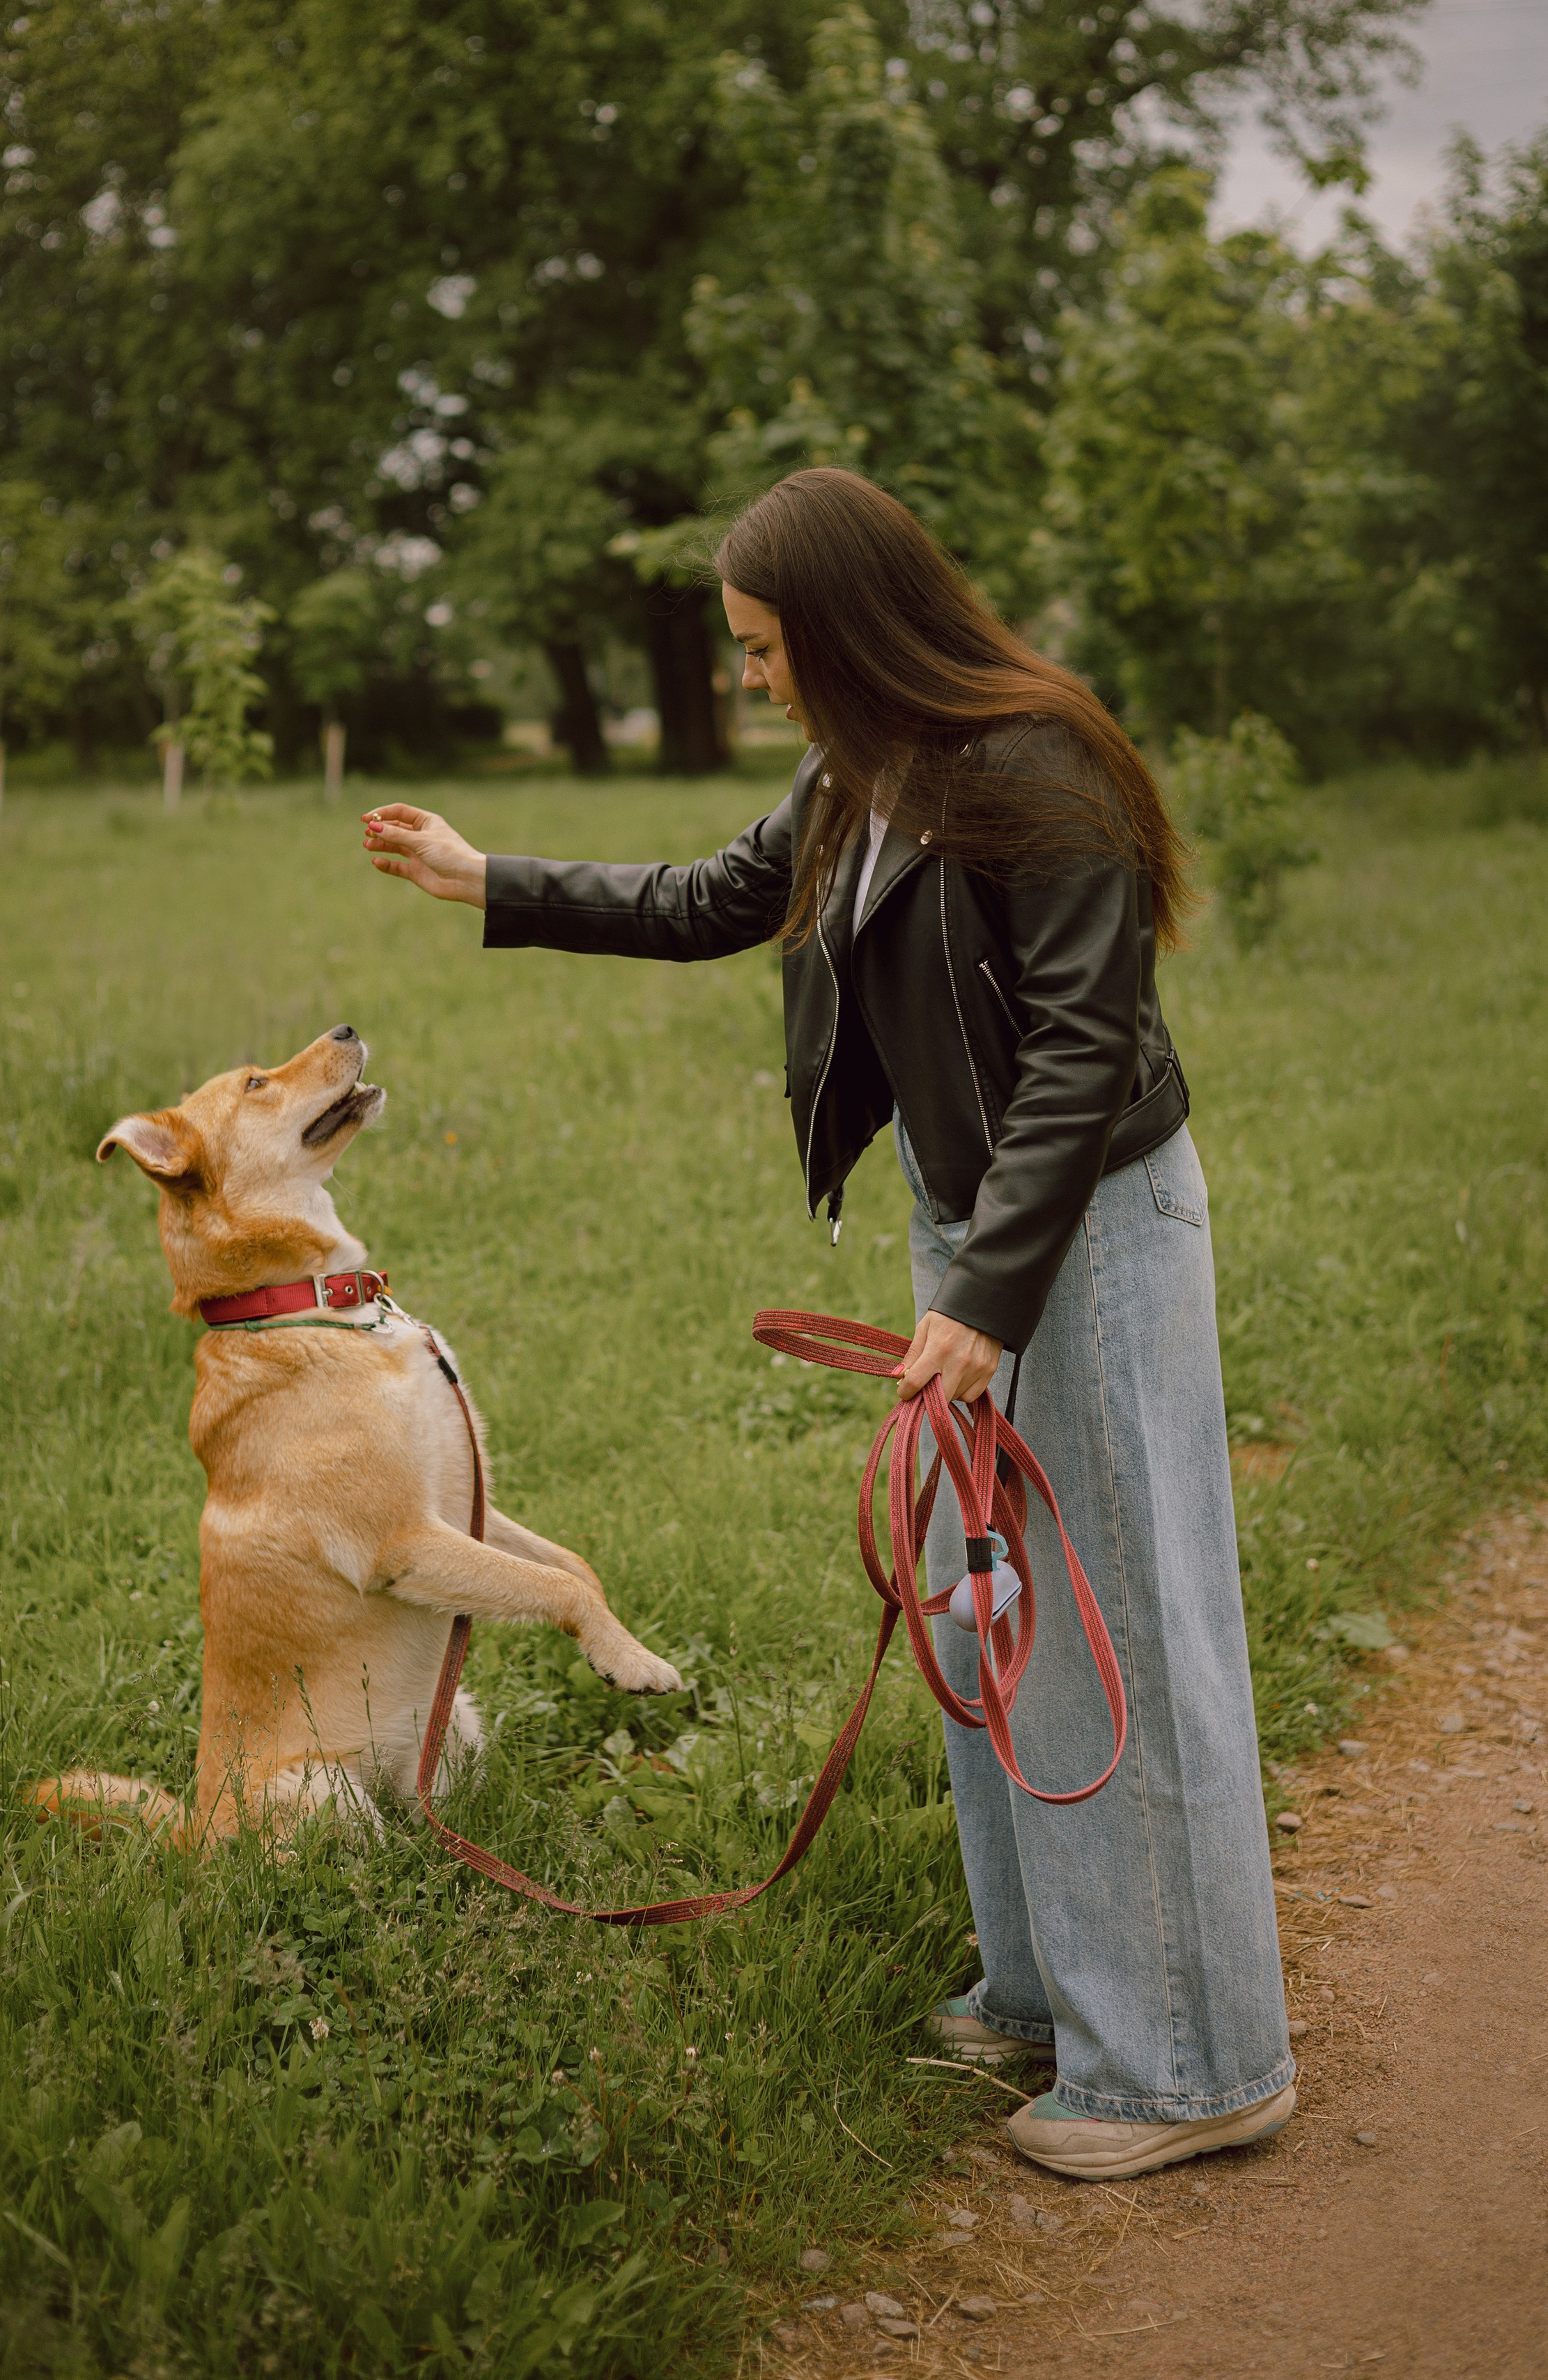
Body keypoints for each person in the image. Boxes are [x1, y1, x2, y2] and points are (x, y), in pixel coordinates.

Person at [361, 467, 1294, 2184]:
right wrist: (483, 875)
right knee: (979, 1613)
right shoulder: (860, 774)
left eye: (762, 646)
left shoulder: (1038, 761)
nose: (749, 677)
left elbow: (1083, 1053)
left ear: (845, 627)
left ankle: (1185, 2063)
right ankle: (1041, 1993)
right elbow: (713, 901)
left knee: (1104, 1637)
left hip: (1081, 1226)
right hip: (980, 1224)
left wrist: (986, 1303)